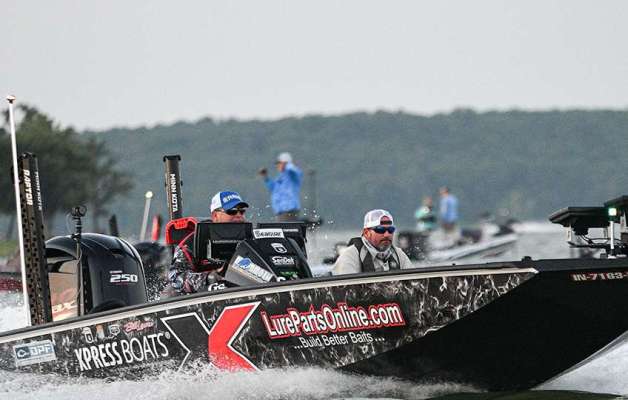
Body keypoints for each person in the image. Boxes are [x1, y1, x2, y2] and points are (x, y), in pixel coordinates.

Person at [167, 190, 249, 295]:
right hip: (202, 298)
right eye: (232, 211)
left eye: (242, 211)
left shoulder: (251, 237)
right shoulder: (193, 241)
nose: (238, 215)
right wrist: (211, 277)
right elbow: (175, 277)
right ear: (215, 215)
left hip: (242, 290)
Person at [332, 209, 412, 275]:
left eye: (390, 230)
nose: (387, 234)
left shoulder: (398, 255)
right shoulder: (350, 256)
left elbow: (414, 283)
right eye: (380, 230)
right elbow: (346, 288)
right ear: (366, 233)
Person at [258, 152, 303, 221]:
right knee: (281, 227)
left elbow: (296, 171)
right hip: (280, 211)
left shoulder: (292, 175)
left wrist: (287, 165)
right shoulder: (280, 176)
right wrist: (266, 177)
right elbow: (273, 189)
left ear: (285, 163)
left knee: (287, 227)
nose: (278, 165)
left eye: (279, 163)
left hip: (289, 210)